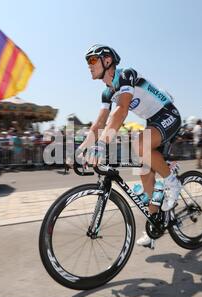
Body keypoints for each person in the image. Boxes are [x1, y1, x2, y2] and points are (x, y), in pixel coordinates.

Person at [76, 44, 182, 249]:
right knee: (144, 173)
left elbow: (122, 111)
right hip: (153, 122)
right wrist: (80, 151)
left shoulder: (126, 75)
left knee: (139, 144)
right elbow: (98, 125)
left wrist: (100, 145)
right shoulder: (107, 93)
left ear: (107, 61)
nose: (88, 66)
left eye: (92, 60)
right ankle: (154, 227)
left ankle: (172, 181)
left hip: (169, 115)